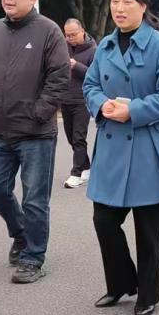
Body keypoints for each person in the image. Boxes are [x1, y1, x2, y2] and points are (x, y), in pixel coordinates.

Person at [82, 0, 159, 315]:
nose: (119, 8)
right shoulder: (105, 46)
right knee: (104, 219)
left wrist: (132, 109)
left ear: (143, 6)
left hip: (149, 147)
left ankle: (148, 294)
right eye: (115, 1)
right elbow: (89, 85)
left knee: (147, 229)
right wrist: (101, 104)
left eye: (127, 2)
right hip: (113, 146)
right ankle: (121, 283)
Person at [0, 0, 69, 283]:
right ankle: (20, 233)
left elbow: (59, 77)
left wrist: (39, 113)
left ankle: (33, 258)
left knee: (35, 200)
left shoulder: (49, 31)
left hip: (36, 134)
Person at [61, 18, 97, 188]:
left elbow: (96, 75)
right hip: (65, 99)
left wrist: (77, 66)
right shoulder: (63, 47)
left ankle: (76, 174)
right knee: (71, 138)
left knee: (78, 137)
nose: (70, 38)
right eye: (67, 35)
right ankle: (86, 167)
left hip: (83, 100)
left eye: (73, 35)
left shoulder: (94, 50)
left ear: (82, 31)